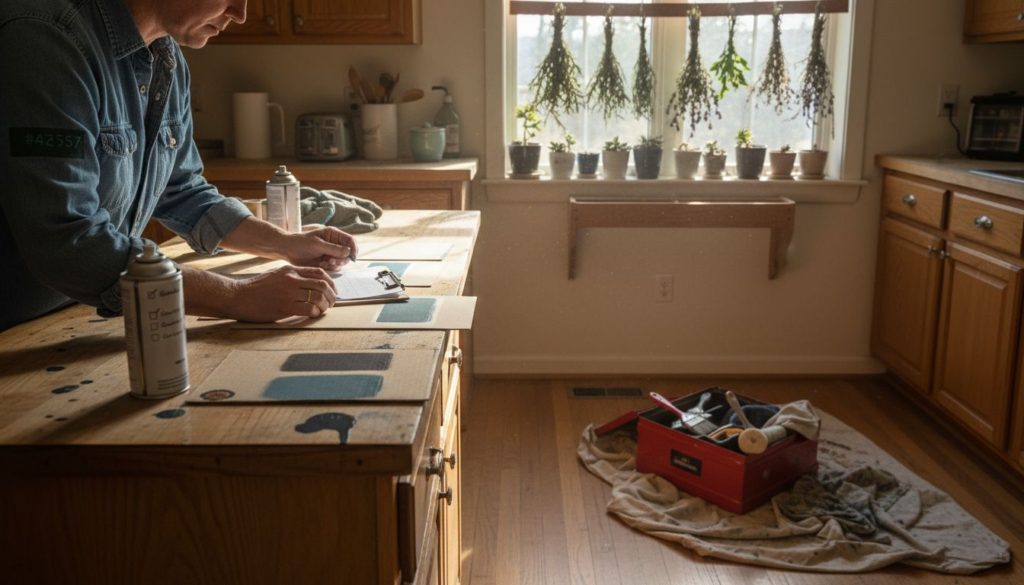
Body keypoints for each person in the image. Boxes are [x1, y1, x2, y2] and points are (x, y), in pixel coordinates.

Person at [0, 0, 356, 333]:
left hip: (70, 315)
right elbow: (67, 242)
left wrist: (283, 243)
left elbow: (182, 191)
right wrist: (237, 295)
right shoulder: (45, 39)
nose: (240, 13)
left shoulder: (165, 56)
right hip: (12, 330)